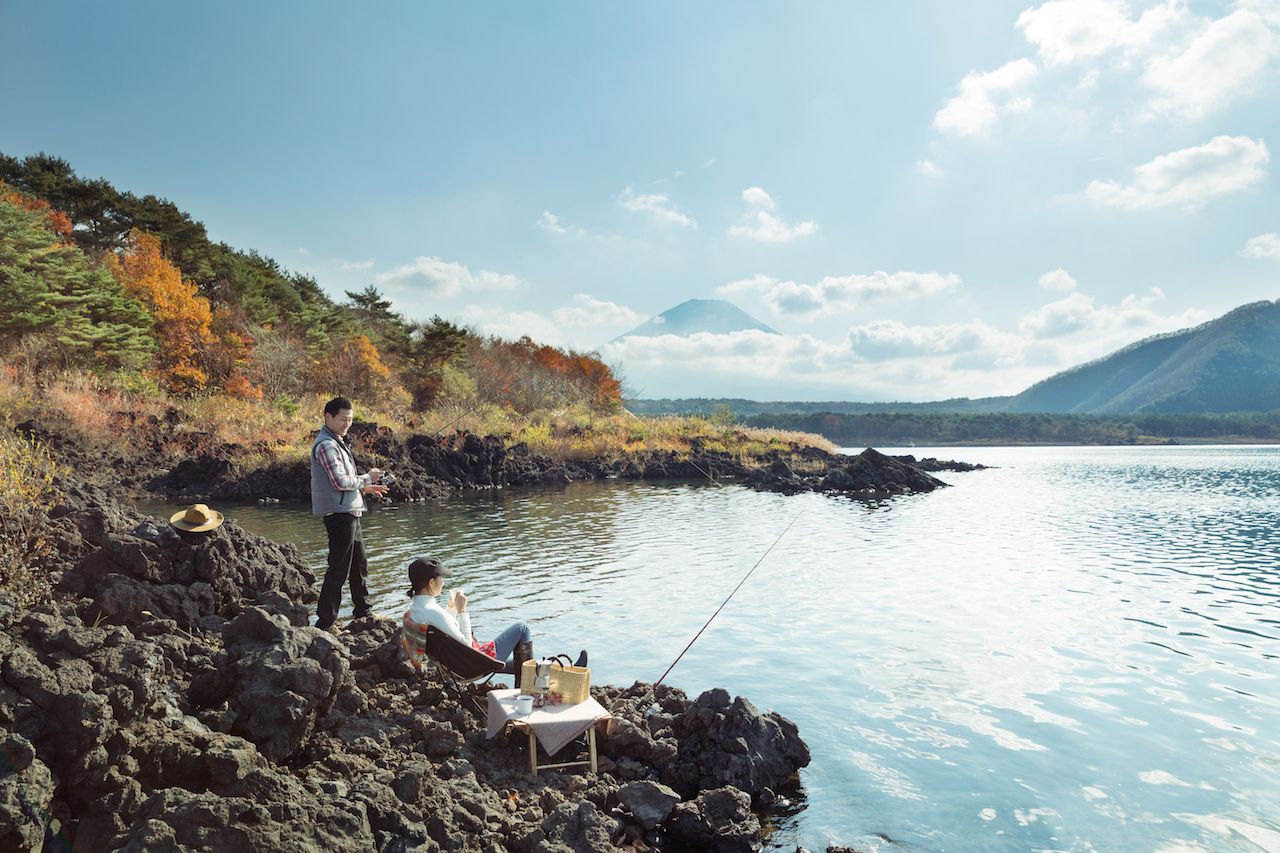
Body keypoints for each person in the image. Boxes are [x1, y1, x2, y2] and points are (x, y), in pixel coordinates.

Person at [401, 556, 586, 683]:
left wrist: (451, 609)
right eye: (441, 578)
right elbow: (465, 643)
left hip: (452, 668)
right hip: (471, 665)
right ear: (431, 583)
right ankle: (527, 692)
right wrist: (462, 611)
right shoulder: (433, 612)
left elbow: (444, 632)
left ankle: (563, 673)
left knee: (519, 665)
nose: (443, 582)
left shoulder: (415, 610)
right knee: (522, 629)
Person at [311, 396, 388, 634]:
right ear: (328, 417)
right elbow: (339, 481)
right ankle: (325, 623)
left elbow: (344, 483)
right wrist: (368, 478)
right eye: (343, 419)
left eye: (351, 419)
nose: (347, 424)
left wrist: (365, 488)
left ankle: (362, 611)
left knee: (359, 564)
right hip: (339, 515)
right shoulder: (326, 445)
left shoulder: (338, 441)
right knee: (339, 568)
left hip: (350, 511)